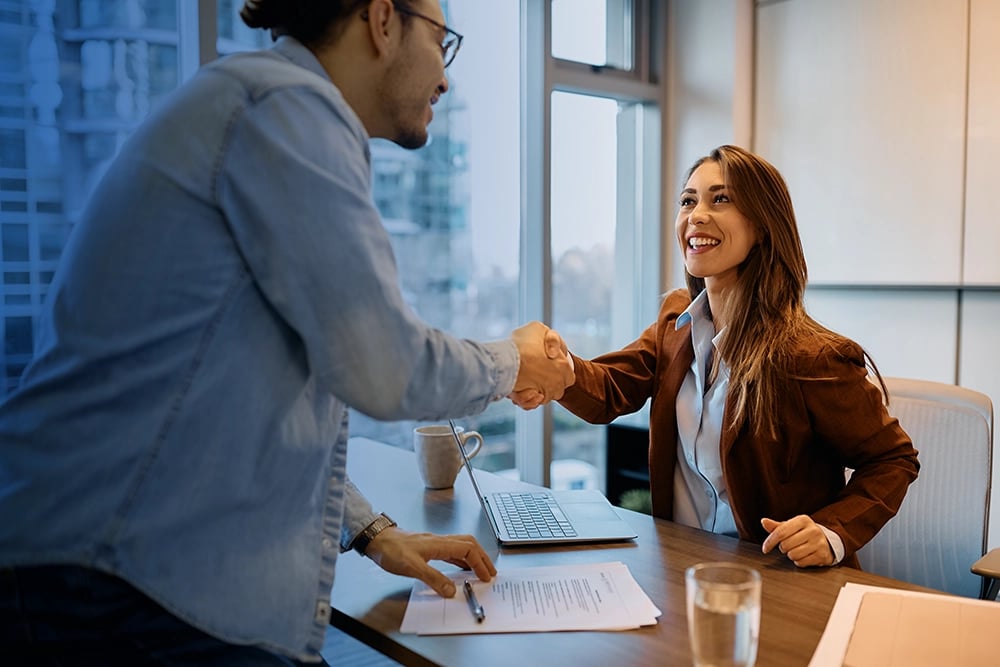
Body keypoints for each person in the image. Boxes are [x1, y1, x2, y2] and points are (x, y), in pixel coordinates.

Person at [0, 1, 573, 664]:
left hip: (107, 568)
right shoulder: (287, 109)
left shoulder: (260, 102)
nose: (445, 80)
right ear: (383, 19)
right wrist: (512, 362)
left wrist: (372, 531)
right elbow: (385, 364)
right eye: (442, 43)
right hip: (108, 582)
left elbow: (262, 391)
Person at [513, 144, 919, 570]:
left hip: (778, 580)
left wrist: (832, 531)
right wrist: (560, 368)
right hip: (682, 568)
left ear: (763, 226)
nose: (697, 215)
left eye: (720, 199)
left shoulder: (813, 358)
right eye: (688, 200)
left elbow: (894, 459)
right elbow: (611, 389)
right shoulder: (676, 322)